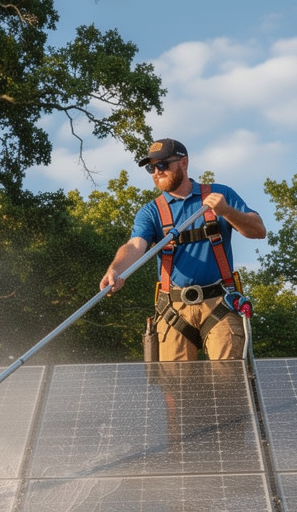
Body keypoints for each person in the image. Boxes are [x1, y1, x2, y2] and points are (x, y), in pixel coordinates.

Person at [99, 138, 266, 361]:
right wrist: (116, 270)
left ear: (184, 163)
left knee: (230, 382)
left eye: (163, 165)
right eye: (151, 167)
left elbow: (258, 230)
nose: (157, 172)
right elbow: (135, 245)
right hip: (173, 308)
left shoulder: (219, 195)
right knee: (177, 388)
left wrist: (226, 211)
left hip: (220, 303)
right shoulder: (151, 212)